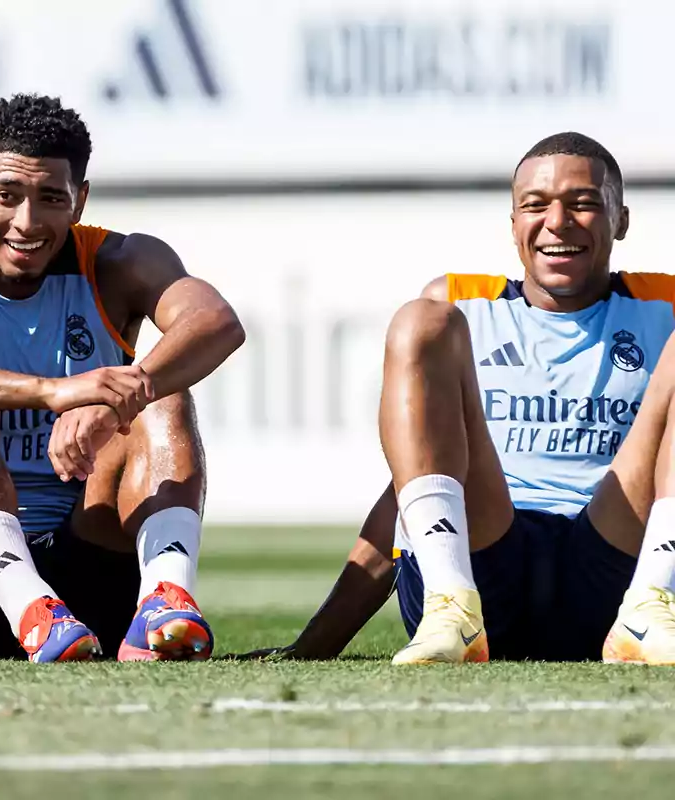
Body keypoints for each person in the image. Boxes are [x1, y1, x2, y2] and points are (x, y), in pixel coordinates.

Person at [249, 131, 675, 665]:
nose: (558, 222)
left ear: (622, 220)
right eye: (535, 205)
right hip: (481, 563)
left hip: (618, 575)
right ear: (514, 224)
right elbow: (411, 488)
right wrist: (315, 646)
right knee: (420, 318)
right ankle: (451, 611)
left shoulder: (664, 306)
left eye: (583, 204)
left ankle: (655, 605)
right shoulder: (461, 307)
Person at [0, 93, 244, 663]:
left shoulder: (119, 263)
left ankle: (165, 596)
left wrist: (114, 401)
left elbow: (216, 321)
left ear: (79, 200)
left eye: (51, 199)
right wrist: (52, 392)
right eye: (7, 196)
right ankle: (31, 608)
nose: (27, 223)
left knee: (160, 391)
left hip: (83, 586)